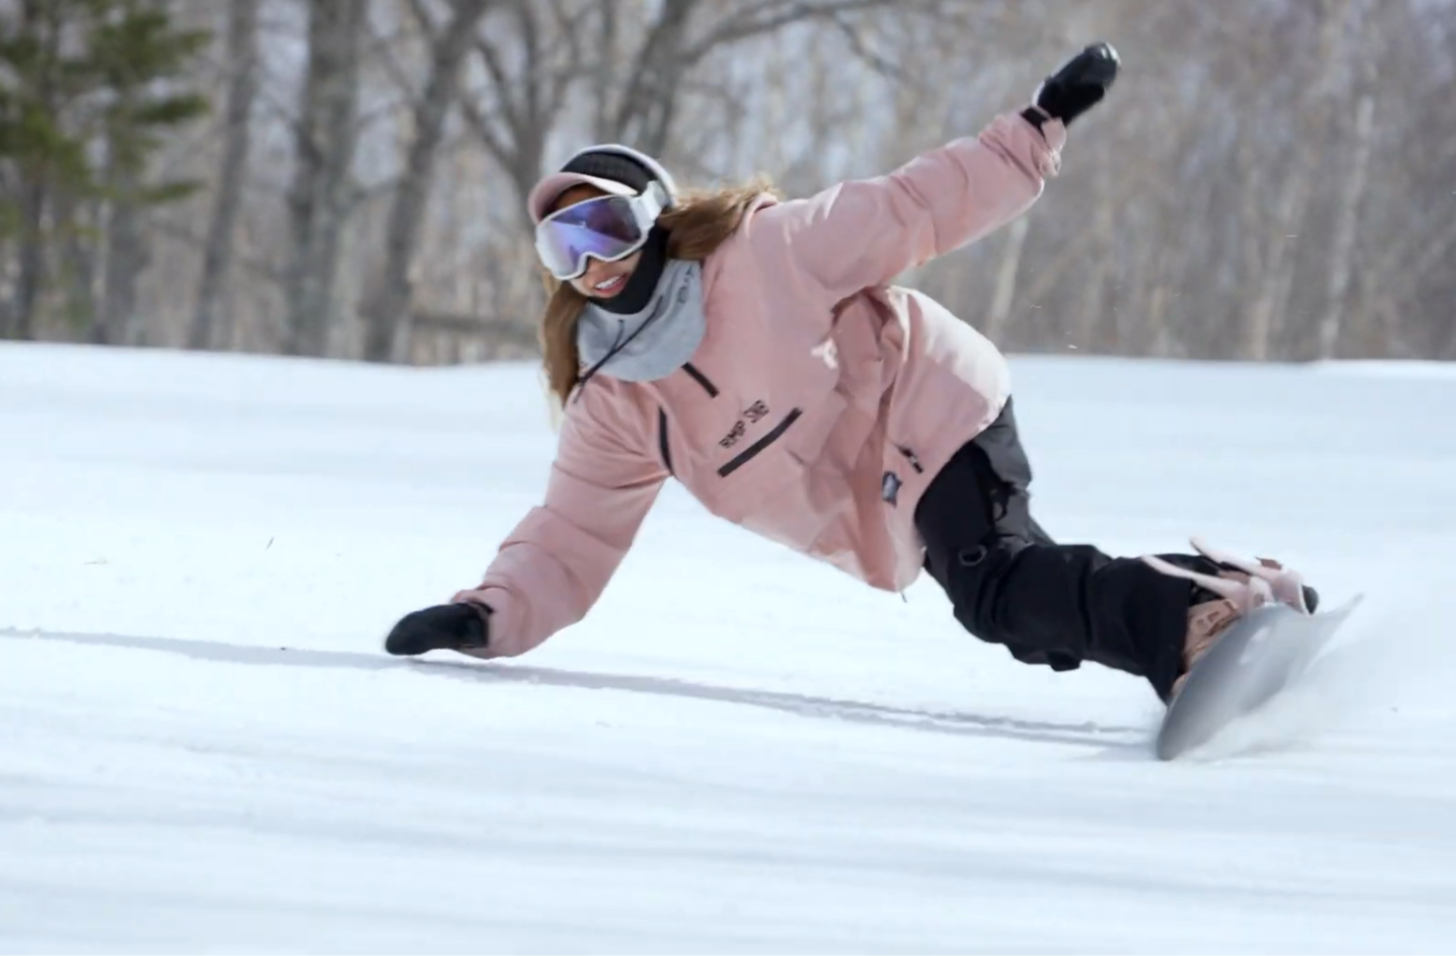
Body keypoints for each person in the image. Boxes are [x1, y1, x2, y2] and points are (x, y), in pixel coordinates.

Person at [383, 43, 1318, 706]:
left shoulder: (765, 252)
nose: (594, 262)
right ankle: (1230, 590)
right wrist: (486, 616)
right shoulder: (618, 401)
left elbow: (914, 205)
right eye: (563, 246)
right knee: (1021, 615)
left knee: (995, 588)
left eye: (608, 228)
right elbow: (569, 535)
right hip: (881, 501)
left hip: (930, 400)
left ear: (656, 218)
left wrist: (1034, 130)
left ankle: (1198, 626)